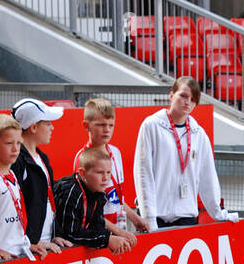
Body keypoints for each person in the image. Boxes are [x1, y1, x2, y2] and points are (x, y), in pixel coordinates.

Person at [133, 75, 238, 233]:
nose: (187, 101)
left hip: (186, 216)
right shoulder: (151, 126)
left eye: (193, 99)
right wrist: (149, 218)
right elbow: (143, 173)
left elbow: (207, 176)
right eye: (183, 95)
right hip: (156, 217)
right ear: (171, 95)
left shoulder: (199, 134)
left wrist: (218, 213)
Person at [72, 96, 148, 235]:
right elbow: (88, 210)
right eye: (101, 125)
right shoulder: (82, 158)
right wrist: (118, 232)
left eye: (111, 125)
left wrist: (135, 219)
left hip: (119, 227)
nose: (107, 130)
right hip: (98, 233)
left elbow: (115, 198)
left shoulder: (115, 152)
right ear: (86, 125)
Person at [0, 115, 58, 261]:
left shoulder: (13, 175)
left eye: (18, 143)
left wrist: (27, 243)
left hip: (19, 253)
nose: (15, 149)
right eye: (9, 143)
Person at [11, 97, 71, 250]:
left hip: (46, 241)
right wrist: (29, 243)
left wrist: (56, 233)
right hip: (28, 248)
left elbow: (50, 201)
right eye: (48, 123)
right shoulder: (16, 160)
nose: (52, 128)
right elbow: (13, 208)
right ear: (33, 127)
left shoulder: (42, 157)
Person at [53, 147, 137, 253]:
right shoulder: (71, 192)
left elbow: (97, 225)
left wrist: (111, 239)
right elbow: (71, 233)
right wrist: (107, 240)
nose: (106, 178)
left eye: (108, 172)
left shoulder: (98, 192)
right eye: (100, 172)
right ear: (82, 173)